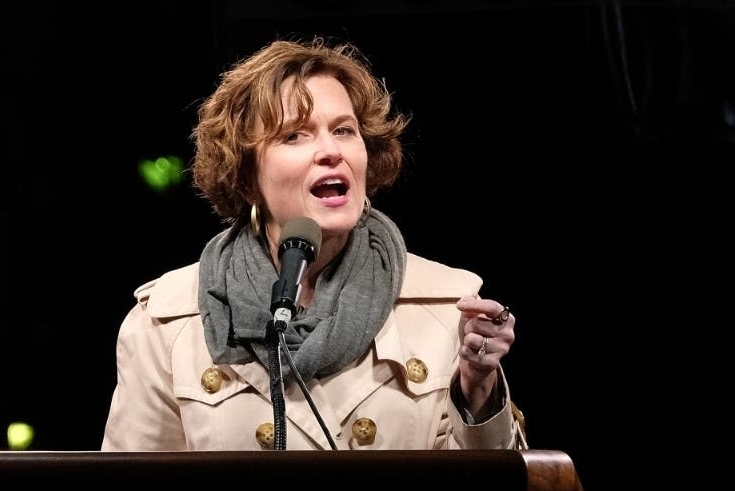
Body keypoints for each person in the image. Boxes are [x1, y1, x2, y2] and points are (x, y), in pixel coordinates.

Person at [101, 36, 525, 452]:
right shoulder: (170, 323)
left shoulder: (446, 308)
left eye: (343, 130)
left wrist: (478, 391)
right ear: (247, 179)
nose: (330, 151)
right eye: (294, 136)